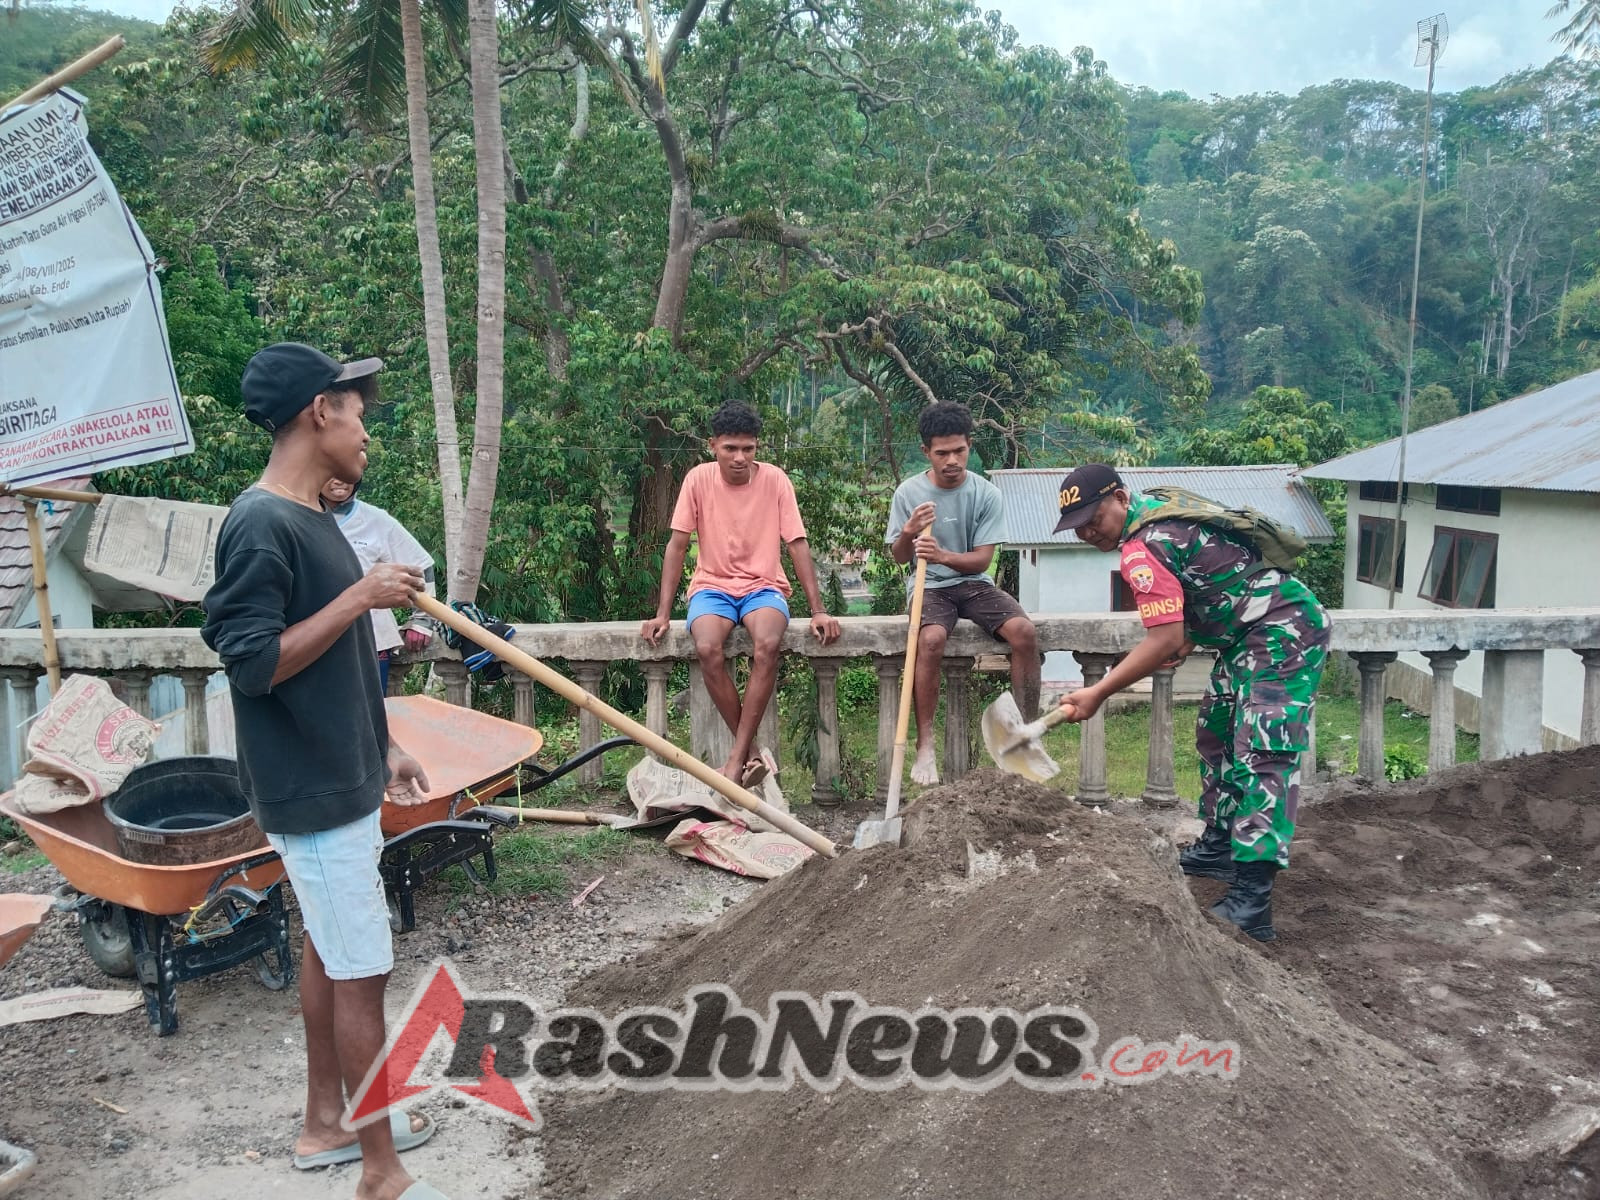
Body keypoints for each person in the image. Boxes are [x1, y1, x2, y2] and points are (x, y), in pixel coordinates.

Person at [201, 342, 447, 1200]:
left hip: (340, 772)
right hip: (307, 789)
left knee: (333, 954)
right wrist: (359, 596)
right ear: (318, 412)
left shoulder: (311, 518)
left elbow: (340, 659)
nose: (364, 432)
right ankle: (381, 1174)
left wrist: (384, 747)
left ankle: (328, 1125)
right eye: (357, 413)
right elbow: (250, 662)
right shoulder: (262, 521)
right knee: (362, 968)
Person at [1050, 463, 1331, 943]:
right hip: (1244, 637)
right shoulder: (1159, 512)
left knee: (1262, 754)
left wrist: (1097, 692)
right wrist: (1192, 633)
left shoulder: (1142, 548)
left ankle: (1252, 900)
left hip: (1282, 631)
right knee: (1217, 734)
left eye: (1093, 518)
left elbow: (1163, 638)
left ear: (1118, 497)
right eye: (1077, 527)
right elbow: (1207, 587)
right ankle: (1220, 845)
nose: (1088, 532)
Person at [641, 400, 841, 786]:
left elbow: (797, 544)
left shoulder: (775, 480)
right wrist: (662, 613)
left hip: (763, 587)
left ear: (757, 449)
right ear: (712, 444)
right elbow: (677, 546)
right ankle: (750, 754)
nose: (739, 457)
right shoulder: (698, 480)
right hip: (711, 587)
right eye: (730, 448)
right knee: (707, 648)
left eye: (748, 448)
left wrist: (818, 609)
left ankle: (736, 758)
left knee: (767, 644)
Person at [885, 402, 1039, 785]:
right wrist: (908, 533)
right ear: (926, 452)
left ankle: (1026, 734)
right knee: (932, 638)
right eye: (942, 453)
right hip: (929, 585)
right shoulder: (909, 493)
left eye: (960, 451)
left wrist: (942, 553)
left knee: (1024, 633)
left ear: (969, 445)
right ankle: (925, 746)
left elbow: (983, 562)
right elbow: (900, 557)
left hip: (972, 584)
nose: (952, 460)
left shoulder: (986, 494)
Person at [321, 476, 438, 692]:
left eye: (346, 474)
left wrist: (422, 620)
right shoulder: (298, 517)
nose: (340, 481)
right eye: (331, 473)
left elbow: (421, 567)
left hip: (371, 640)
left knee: (370, 716)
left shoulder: (374, 519)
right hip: (315, 641)